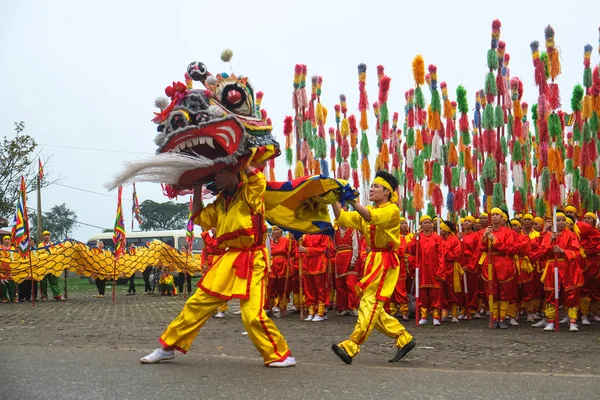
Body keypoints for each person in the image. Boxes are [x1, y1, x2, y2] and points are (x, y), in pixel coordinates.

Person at [140, 162, 295, 367]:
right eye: (216, 173)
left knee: (252, 315)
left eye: (222, 172)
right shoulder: (220, 202)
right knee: (197, 303)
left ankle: (281, 355)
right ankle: (167, 348)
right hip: (228, 258)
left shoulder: (250, 192)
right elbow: (198, 217)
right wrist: (196, 187)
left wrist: (243, 159)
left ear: (235, 171)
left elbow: (258, 179)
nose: (217, 177)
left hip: (253, 258)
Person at [330, 171, 415, 365]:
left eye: (376, 186)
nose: (372, 189)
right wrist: (332, 198)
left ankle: (351, 346)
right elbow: (341, 218)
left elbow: (370, 216)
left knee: (370, 304)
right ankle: (404, 338)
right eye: (372, 186)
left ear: (387, 191)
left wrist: (352, 201)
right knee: (371, 306)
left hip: (386, 261)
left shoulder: (391, 210)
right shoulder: (366, 210)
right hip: (373, 259)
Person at [534, 212, 583, 332]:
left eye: (563, 220)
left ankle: (572, 321)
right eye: (558, 220)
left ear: (566, 222)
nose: (561, 223)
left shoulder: (571, 235)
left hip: (568, 267)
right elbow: (541, 253)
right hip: (552, 266)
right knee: (551, 294)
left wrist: (562, 250)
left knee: (571, 293)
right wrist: (551, 241)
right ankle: (551, 321)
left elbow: (576, 253)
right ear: (554, 223)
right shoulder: (548, 236)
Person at [478, 208, 517, 329]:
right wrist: (485, 237)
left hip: (504, 262)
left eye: (497, 215)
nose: (494, 217)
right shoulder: (485, 231)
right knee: (491, 291)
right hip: (489, 262)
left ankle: (502, 317)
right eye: (493, 214)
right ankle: (494, 317)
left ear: (502, 218)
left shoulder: (509, 232)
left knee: (505, 292)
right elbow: (481, 248)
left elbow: (511, 249)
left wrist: (494, 240)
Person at [410, 215, 445, 326]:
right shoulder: (417, 237)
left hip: (434, 269)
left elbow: (441, 254)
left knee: (435, 293)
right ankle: (424, 316)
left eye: (429, 222)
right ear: (421, 224)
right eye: (425, 222)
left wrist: (440, 269)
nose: (427, 224)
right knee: (423, 294)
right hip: (422, 270)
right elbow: (411, 250)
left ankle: (436, 316)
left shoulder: (437, 237)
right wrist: (415, 240)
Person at [298, 233, 329, 322]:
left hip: (318, 262)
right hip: (307, 263)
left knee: (320, 288)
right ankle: (311, 311)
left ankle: (320, 312)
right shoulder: (304, 235)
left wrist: (306, 249)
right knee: (308, 288)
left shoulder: (323, 234)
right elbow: (299, 247)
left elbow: (322, 248)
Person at [332, 220, 359, 317]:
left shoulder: (352, 230)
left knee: (351, 285)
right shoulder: (335, 232)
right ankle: (343, 307)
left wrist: (353, 260)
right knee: (340, 286)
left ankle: (353, 306)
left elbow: (355, 246)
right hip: (339, 259)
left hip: (349, 256)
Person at [439, 220, 463, 323]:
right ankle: (444, 312)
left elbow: (455, 255)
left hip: (452, 268)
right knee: (442, 290)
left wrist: (443, 251)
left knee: (452, 290)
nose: (439, 230)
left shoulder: (455, 240)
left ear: (446, 230)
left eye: (441, 228)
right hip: (441, 268)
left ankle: (454, 313)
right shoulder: (438, 239)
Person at [268, 226, 293, 318]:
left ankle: (282, 307)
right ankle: (269, 308)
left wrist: (292, 242)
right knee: (271, 287)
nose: (275, 231)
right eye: (274, 230)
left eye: (278, 229)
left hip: (283, 264)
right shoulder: (269, 241)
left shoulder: (286, 241)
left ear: (281, 231)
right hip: (272, 265)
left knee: (283, 287)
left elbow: (292, 252)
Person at [459, 216, 481, 319]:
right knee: (461, 287)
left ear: (473, 224)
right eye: (465, 221)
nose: (466, 222)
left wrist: (470, 265)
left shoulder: (476, 236)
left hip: (471, 263)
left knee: (472, 287)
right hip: (460, 263)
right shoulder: (459, 235)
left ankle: (472, 308)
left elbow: (477, 252)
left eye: (469, 221)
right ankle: (463, 308)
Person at [39, 231, 66, 301]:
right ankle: (44, 296)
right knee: (43, 281)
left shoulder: (54, 244)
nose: (46, 236)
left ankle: (57, 295)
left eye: (48, 235)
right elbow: (39, 254)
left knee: (54, 281)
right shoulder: (40, 245)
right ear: (43, 236)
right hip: (43, 265)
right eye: (45, 235)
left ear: (49, 236)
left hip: (52, 266)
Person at [1, 235, 18, 303]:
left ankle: (13, 297)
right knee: (3, 284)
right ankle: (4, 298)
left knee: (12, 285)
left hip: (11, 268)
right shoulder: (0, 248)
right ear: (3, 240)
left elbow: (16, 257)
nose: (7, 240)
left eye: (8, 239)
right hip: (2, 269)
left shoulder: (13, 248)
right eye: (5, 239)